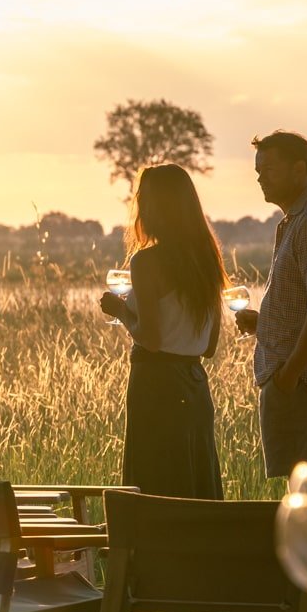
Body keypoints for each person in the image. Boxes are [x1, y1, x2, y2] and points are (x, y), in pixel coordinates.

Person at [97, 163, 225, 499]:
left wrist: (120, 311)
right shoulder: (208, 260)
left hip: (156, 386)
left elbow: (151, 339)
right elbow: (210, 346)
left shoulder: (146, 262)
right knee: (195, 478)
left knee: (155, 481)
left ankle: (153, 549)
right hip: (195, 385)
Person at [232, 129, 307, 477]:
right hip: (293, 382)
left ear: (300, 170)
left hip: (301, 386)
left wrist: (289, 375)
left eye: (268, 169)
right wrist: (263, 322)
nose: (259, 177)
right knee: (297, 490)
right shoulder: (296, 220)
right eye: (258, 170)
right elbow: (306, 302)